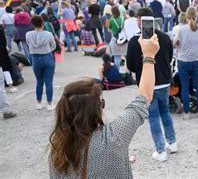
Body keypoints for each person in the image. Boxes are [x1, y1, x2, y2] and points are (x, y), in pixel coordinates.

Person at [49, 34, 159, 177]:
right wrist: (149, 55)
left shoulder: (57, 149)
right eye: (102, 102)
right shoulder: (113, 136)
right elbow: (144, 98)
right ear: (96, 108)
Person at [126, 8, 176, 163]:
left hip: (148, 84)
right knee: (165, 112)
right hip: (165, 81)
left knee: (153, 116)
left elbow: (131, 66)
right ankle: (172, 142)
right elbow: (169, 58)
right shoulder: (165, 37)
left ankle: (160, 150)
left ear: (140, 21)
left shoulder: (135, 41)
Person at [173, 7, 198, 119]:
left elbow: (175, 44)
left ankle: (187, 113)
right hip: (196, 60)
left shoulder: (181, 30)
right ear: (196, 17)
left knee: (185, 86)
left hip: (183, 61)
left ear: (186, 17)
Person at [26, 16, 56, 111]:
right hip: (47, 57)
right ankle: (49, 104)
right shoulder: (48, 34)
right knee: (49, 82)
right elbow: (54, 46)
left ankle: (38, 103)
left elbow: (28, 44)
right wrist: (47, 50)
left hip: (35, 58)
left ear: (32, 24)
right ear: (42, 23)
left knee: (39, 81)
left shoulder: (28, 34)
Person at [108, 6, 127, 72]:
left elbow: (109, 30)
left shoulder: (110, 20)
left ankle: (117, 71)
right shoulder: (122, 19)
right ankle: (125, 70)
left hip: (115, 40)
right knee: (124, 55)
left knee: (116, 57)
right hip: (123, 39)